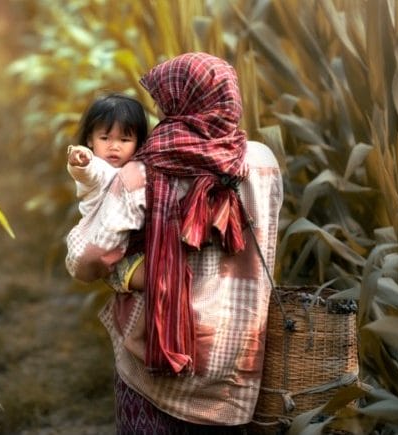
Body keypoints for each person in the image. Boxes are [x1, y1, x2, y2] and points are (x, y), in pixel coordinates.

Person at [65, 52, 283, 433]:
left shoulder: (146, 169)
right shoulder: (263, 162)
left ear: (181, 100)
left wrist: (121, 275)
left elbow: (87, 260)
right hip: (238, 352)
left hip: (161, 351)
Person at [66, 93, 149, 360]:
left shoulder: (135, 169)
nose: (114, 147)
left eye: (124, 139)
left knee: (164, 282)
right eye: (105, 138)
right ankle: (137, 342)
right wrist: (82, 160)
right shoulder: (101, 171)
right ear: (90, 140)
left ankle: (141, 337)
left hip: (131, 253)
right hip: (117, 259)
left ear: (138, 143)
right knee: (160, 280)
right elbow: (90, 172)